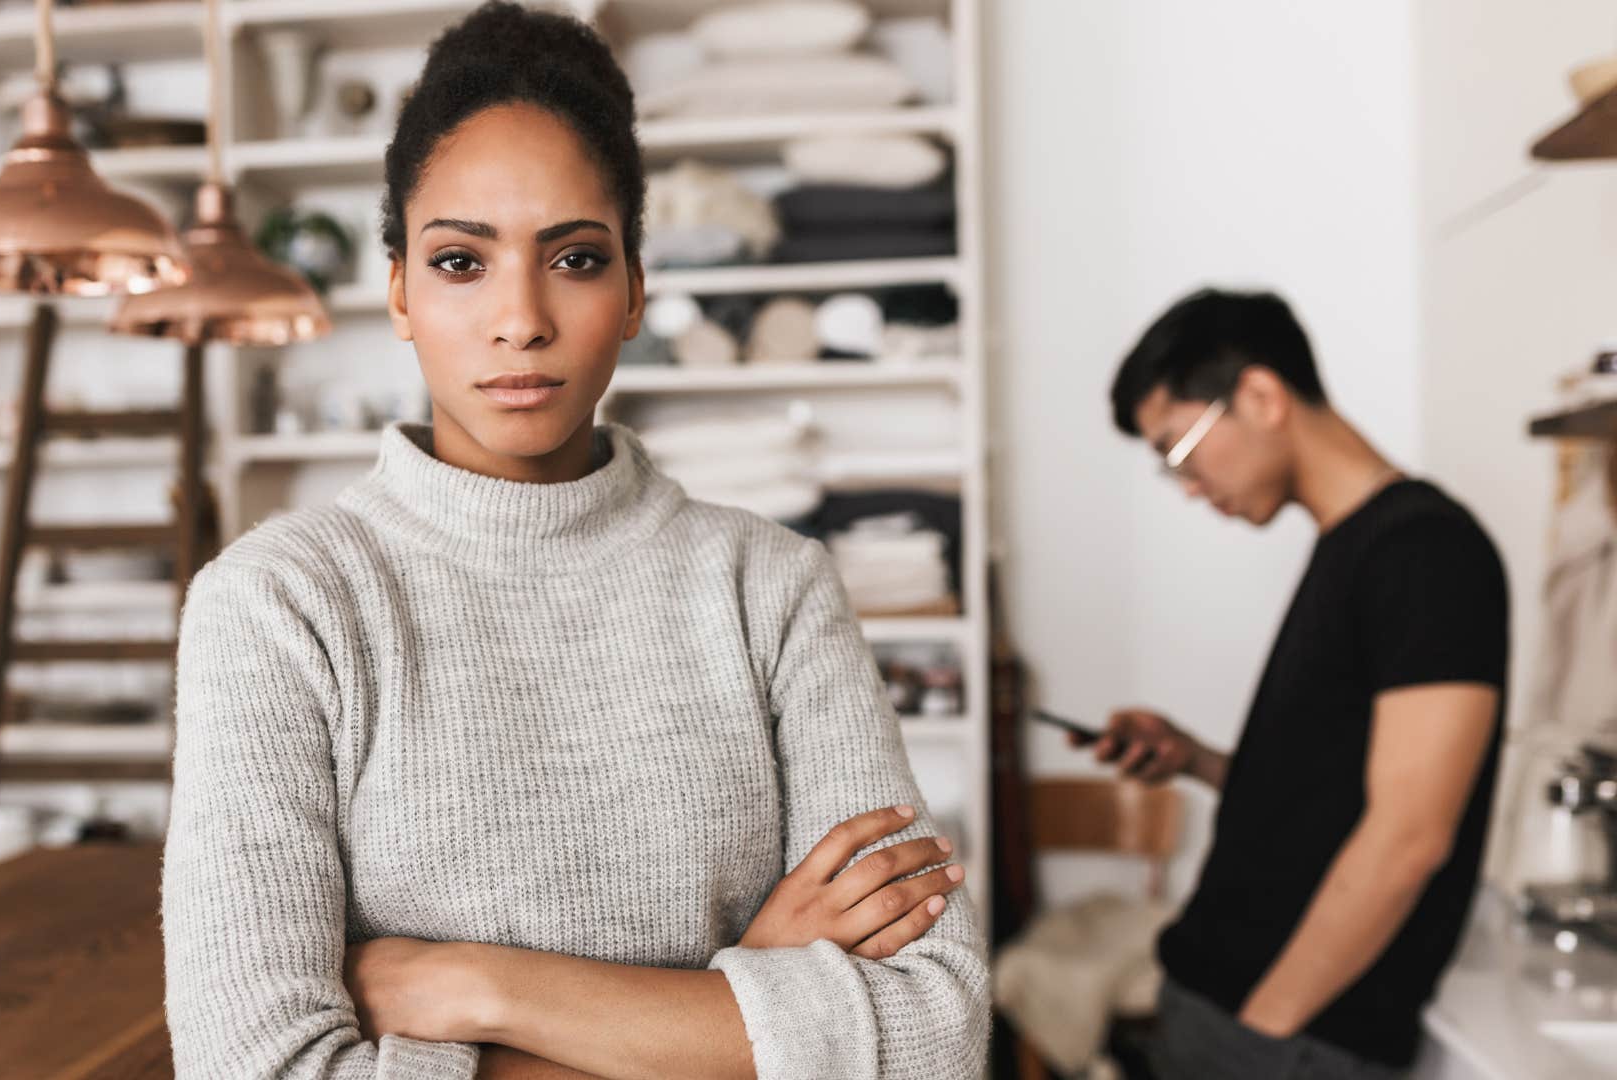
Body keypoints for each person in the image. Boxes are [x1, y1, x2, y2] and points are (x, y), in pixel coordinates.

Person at [157, 4, 990, 1078]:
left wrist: (476, 987)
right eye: (462, 262)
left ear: (637, 288)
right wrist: (744, 1012)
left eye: (577, 258)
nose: (521, 319)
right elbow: (256, 1071)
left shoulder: (771, 588)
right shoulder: (280, 605)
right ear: (400, 289)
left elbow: (937, 1036)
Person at [1084, 288, 1509, 1079]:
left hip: (1290, 1038)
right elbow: (1327, 792)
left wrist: (1264, 1028)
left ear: (1261, 395)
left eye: (1179, 449)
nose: (1186, 484)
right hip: (1235, 1014)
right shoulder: (1351, 548)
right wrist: (1196, 760)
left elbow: (1410, 838)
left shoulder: (1423, 551)